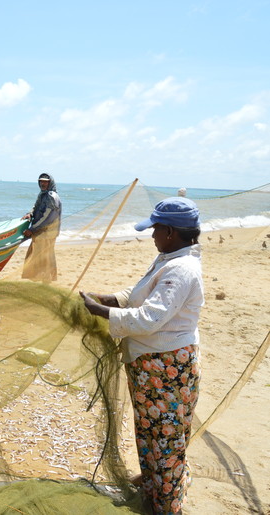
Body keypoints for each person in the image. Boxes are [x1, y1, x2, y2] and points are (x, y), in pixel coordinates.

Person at [79, 197, 203, 515]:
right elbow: (144, 293)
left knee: (166, 437)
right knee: (149, 429)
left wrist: (99, 310)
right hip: (151, 367)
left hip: (167, 369)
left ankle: (167, 504)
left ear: (171, 232)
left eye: (155, 229)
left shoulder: (182, 269)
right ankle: (152, 483)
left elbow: (149, 318)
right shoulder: (169, 259)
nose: (151, 235)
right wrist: (113, 299)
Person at [22, 173, 62, 283]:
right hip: (41, 233)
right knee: (41, 257)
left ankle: (45, 282)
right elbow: (36, 206)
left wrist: (32, 229)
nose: (43, 184)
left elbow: (47, 218)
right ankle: (42, 281)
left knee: (44, 259)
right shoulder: (43, 194)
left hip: (47, 233)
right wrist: (30, 214)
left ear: (50, 183)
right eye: (41, 181)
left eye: (45, 182)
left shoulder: (51, 196)